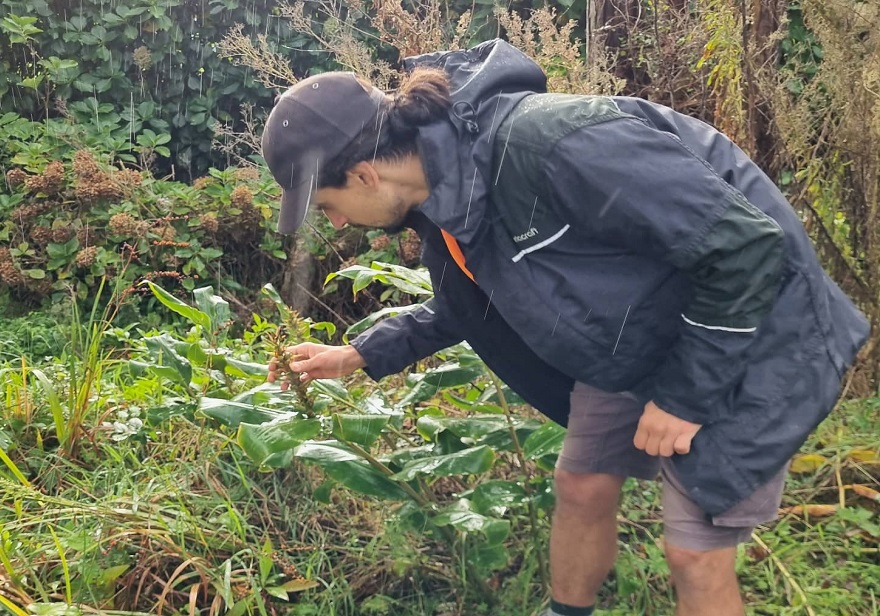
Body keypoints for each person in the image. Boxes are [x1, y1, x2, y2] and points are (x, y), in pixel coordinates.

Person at [261, 39, 869, 616]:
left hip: (746, 329)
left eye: (327, 204)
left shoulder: (551, 144)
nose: (336, 223)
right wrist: (359, 355)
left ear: (365, 174)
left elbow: (745, 249)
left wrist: (684, 397)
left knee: (693, 550)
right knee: (579, 483)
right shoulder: (444, 201)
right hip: (636, 333)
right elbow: (464, 305)